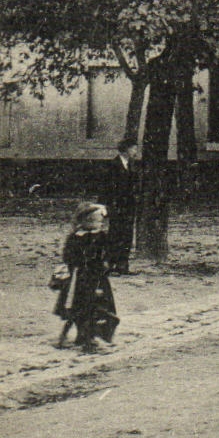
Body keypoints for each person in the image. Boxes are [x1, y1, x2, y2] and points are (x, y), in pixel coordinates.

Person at [54, 202, 119, 353]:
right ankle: (83, 337)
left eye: (101, 221)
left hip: (97, 278)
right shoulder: (76, 237)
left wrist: (107, 262)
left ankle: (93, 336)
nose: (100, 223)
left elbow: (108, 252)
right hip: (80, 278)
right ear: (86, 221)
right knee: (80, 308)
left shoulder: (101, 236)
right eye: (96, 220)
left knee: (99, 307)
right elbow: (68, 256)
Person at [99, 137, 140, 275]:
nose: (136, 151)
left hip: (129, 207)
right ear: (126, 149)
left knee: (127, 235)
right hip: (117, 206)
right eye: (134, 148)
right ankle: (108, 265)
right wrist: (104, 206)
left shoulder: (131, 165)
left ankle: (123, 265)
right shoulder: (113, 165)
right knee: (115, 234)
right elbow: (106, 187)